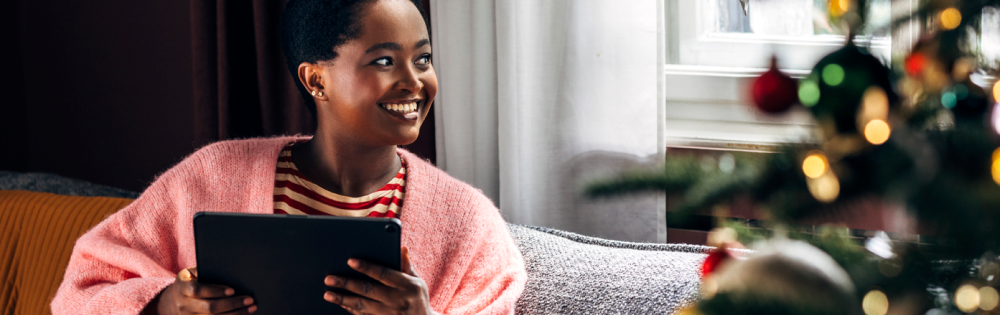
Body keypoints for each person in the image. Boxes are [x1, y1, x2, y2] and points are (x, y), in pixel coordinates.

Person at [50, 0, 527, 314]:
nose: (415, 81)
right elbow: (80, 291)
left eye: (422, 59)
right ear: (316, 80)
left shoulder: (469, 224)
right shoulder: (211, 176)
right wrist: (165, 305)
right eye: (384, 61)